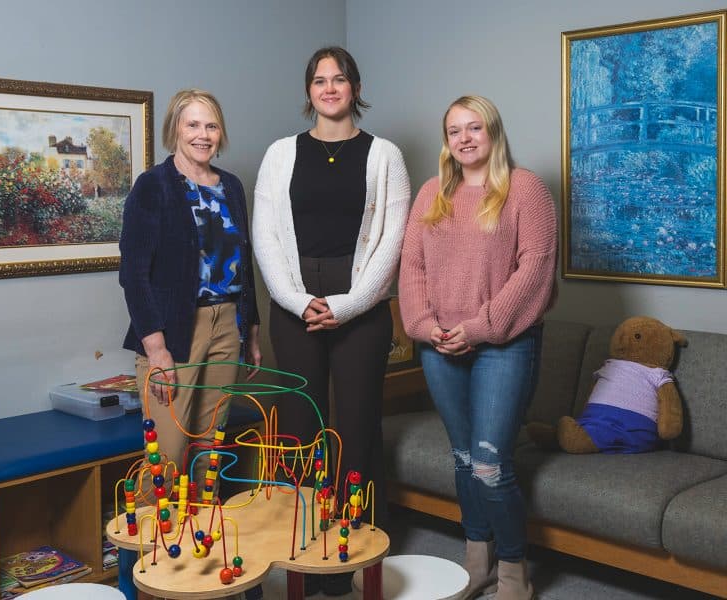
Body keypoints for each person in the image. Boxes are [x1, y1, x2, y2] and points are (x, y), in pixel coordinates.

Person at [252, 46, 410, 596]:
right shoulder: (280, 153)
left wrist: (345, 305)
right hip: (294, 305)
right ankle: (303, 552)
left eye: (338, 79)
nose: (329, 88)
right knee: (299, 429)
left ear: (355, 87)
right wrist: (297, 301)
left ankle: (352, 557)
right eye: (319, 80)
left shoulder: (385, 154)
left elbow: (391, 240)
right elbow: (266, 235)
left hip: (361, 308)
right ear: (309, 92)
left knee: (356, 429)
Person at [398, 95, 557, 600]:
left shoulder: (524, 189)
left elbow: (535, 268)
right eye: (454, 131)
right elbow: (413, 268)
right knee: (464, 457)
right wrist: (423, 325)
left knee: (491, 463)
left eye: (475, 128)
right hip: (438, 344)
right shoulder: (430, 194)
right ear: (447, 142)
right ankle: (477, 557)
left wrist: (481, 326)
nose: (465, 139)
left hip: (503, 343)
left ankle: (513, 569)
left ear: (493, 133)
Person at [119, 88, 262, 496]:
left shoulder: (231, 186)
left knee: (208, 448)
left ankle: (202, 547)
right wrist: (156, 350)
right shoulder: (153, 186)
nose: (203, 134)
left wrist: (250, 329)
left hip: (226, 327)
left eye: (211, 125)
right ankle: (149, 555)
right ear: (175, 130)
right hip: (174, 332)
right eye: (193, 124)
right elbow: (133, 274)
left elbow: (242, 261)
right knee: (166, 456)